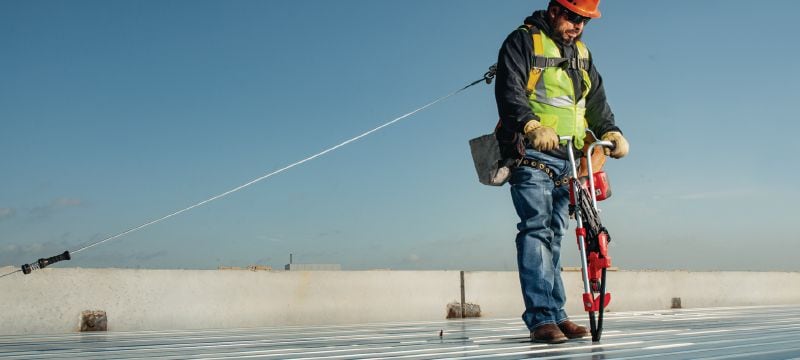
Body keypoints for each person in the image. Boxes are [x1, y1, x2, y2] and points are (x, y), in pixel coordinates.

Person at [493, 0, 629, 343]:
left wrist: (611, 131)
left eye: (584, 20)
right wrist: (530, 124)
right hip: (533, 155)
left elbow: (595, 101)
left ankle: (556, 314)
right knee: (537, 231)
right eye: (573, 17)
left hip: (571, 159)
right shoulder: (522, 42)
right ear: (554, 10)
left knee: (554, 234)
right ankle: (541, 319)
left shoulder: (582, 53)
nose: (578, 25)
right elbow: (509, 91)